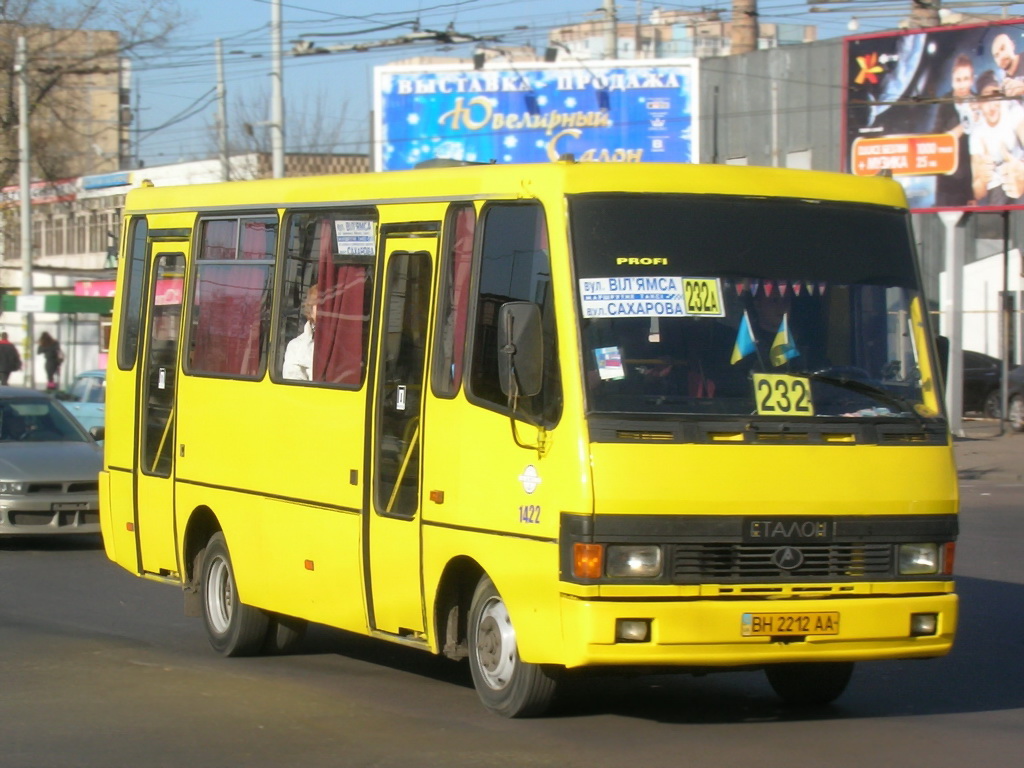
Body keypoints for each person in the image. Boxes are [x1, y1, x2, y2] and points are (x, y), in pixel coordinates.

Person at [970, 69, 1024, 206]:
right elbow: (978, 192)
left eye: (996, 95)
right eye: (987, 98)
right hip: (997, 186)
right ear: (980, 103)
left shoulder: (1013, 110)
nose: (993, 103)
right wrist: (982, 178)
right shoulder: (976, 134)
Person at [931, 54, 978, 207]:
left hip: (974, 183)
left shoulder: (980, 103)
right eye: (958, 80)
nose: (962, 85)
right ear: (952, 81)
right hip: (948, 184)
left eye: (966, 79)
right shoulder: (945, 104)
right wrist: (964, 126)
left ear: (972, 79)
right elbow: (937, 141)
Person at [283, 285, 317, 381]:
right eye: (319, 304)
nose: (324, 310)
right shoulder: (296, 346)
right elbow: (293, 388)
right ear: (310, 309)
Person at [991, 32, 1024, 98]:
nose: (1001, 57)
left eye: (1003, 48)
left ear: (1012, 45)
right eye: (996, 55)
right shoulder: (1005, 83)